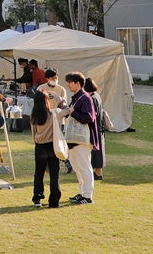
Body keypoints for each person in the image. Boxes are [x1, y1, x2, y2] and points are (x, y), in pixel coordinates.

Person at [63, 72, 98, 204]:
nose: (68, 85)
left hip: (82, 140)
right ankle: (83, 192)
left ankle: (87, 196)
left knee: (84, 167)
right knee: (77, 167)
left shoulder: (85, 98)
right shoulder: (77, 98)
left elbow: (89, 118)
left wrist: (73, 112)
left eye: (70, 82)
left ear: (77, 83)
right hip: (74, 139)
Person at [30, 91, 62, 208]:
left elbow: (34, 133)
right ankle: (54, 201)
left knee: (39, 173)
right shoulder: (53, 113)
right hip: (52, 146)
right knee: (54, 175)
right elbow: (68, 110)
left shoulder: (34, 116)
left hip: (40, 146)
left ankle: (37, 198)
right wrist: (60, 99)